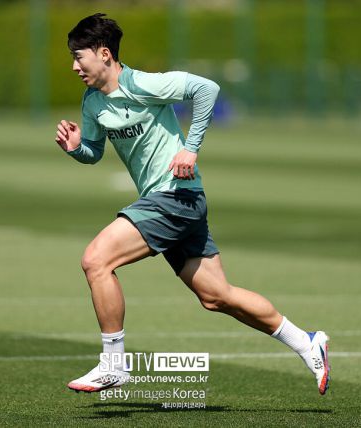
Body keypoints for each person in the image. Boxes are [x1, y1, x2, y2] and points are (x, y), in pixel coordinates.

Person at [56, 13, 330, 395]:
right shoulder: (92, 103)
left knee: (96, 260)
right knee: (217, 296)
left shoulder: (144, 84)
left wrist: (190, 147)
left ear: (104, 54)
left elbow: (207, 89)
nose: (74, 66)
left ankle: (113, 364)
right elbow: (94, 152)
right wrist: (76, 148)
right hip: (170, 201)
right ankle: (307, 342)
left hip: (175, 196)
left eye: (79, 57)